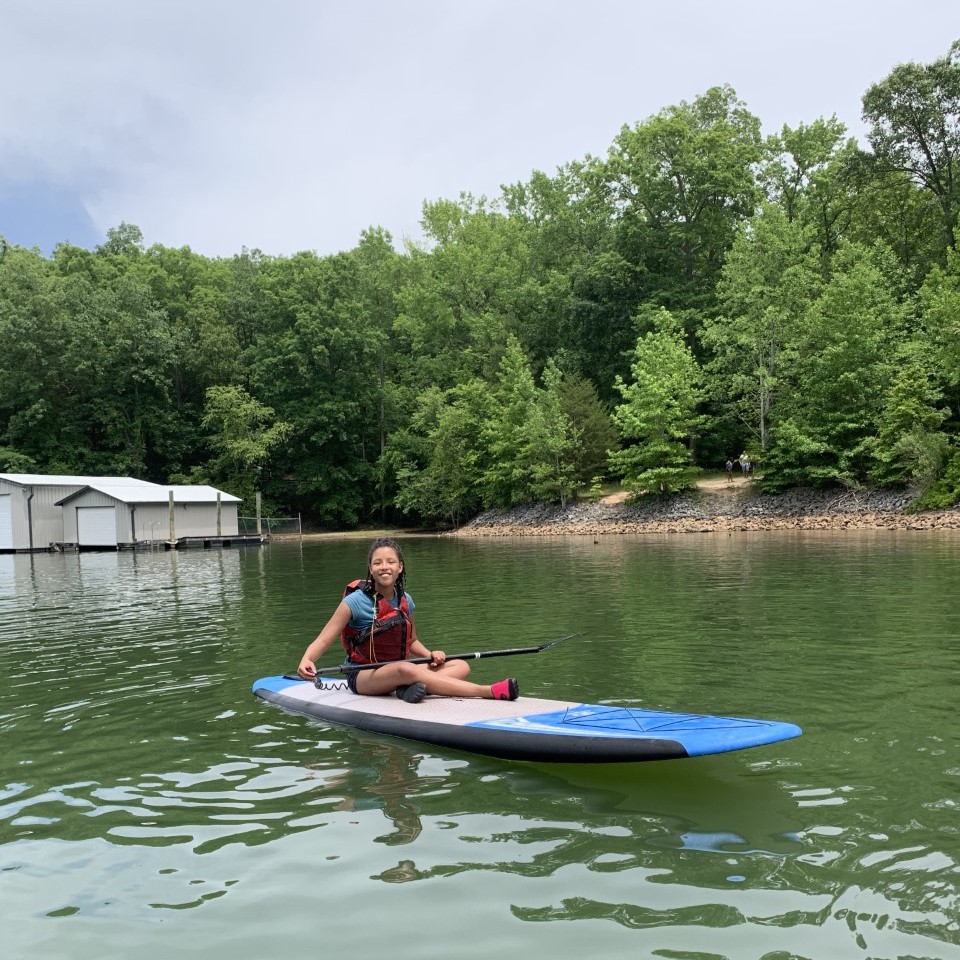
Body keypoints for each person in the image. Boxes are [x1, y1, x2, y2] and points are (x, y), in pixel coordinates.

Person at [297, 537, 519, 703]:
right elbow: (324, 639)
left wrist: (430, 655)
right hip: (364, 675)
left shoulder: (406, 600)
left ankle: (409, 688)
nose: (384, 567)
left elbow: (411, 642)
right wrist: (307, 658)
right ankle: (487, 691)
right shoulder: (354, 602)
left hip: (403, 668)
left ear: (400, 567)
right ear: (371, 570)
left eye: (390, 562)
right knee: (404, 670)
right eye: (377, 563)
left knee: (460, 664)